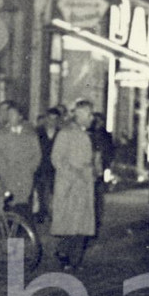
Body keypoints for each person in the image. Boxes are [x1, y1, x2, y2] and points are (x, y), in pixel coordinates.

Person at [50, 99, 97, 271]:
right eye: (89, 114)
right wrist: (74, 175)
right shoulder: (66, 133)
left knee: (81, 225)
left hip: (83, 185)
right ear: (81, 114)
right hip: (70, 186)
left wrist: (92, 172)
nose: (92, 118)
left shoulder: (84, 133)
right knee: (72, 224)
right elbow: (57, 159)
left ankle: (73, 259)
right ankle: (67, 257)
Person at [0, 101, 41, 210]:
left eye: (13, 114)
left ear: (20, 117)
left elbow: (37, 155)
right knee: (6, 207)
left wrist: (29, 169)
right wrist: (2, 169)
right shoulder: (0, 135)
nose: (10, 117)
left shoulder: (30, 136)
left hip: (24, 178)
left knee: (22, 208)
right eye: (9, 114)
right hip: (6, 178)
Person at [33, 107, 61, 223]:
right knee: (40, 190)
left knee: (54, 191)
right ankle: (41, 213)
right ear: (46, 119)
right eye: (50, 118)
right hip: (41, 166)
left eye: (55, 119)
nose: (52, 122)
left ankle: (52, 213)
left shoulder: (60, 133)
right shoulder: (38, 132)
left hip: (55, 167)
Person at [88, 112, 114, 235]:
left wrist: (107, 165)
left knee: (98, 195)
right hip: (92, 167)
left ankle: (96, 221)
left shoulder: (105, 135)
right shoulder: (90, 133)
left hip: (100, 168)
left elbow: (109, 151)